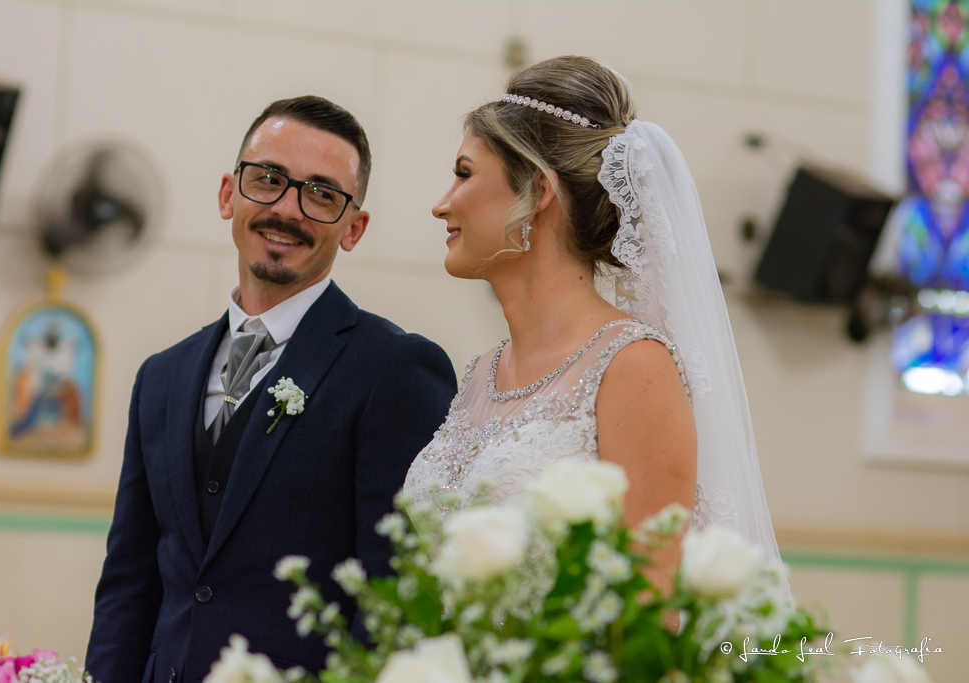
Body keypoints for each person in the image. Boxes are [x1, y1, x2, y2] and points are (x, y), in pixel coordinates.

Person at [86, 96, 458, 683]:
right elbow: (128, 584)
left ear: (354, 228)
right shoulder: (161, 376)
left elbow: (395, 596)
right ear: (227, 194)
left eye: (322, 194)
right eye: (268, 179)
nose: (287, 209)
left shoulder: (396, 370)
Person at [404, 56, 788, 599]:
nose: (441, 205)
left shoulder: (633, 366)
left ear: (537, 191)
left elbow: (651, 602)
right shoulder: (481, 373)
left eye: (464, 174)